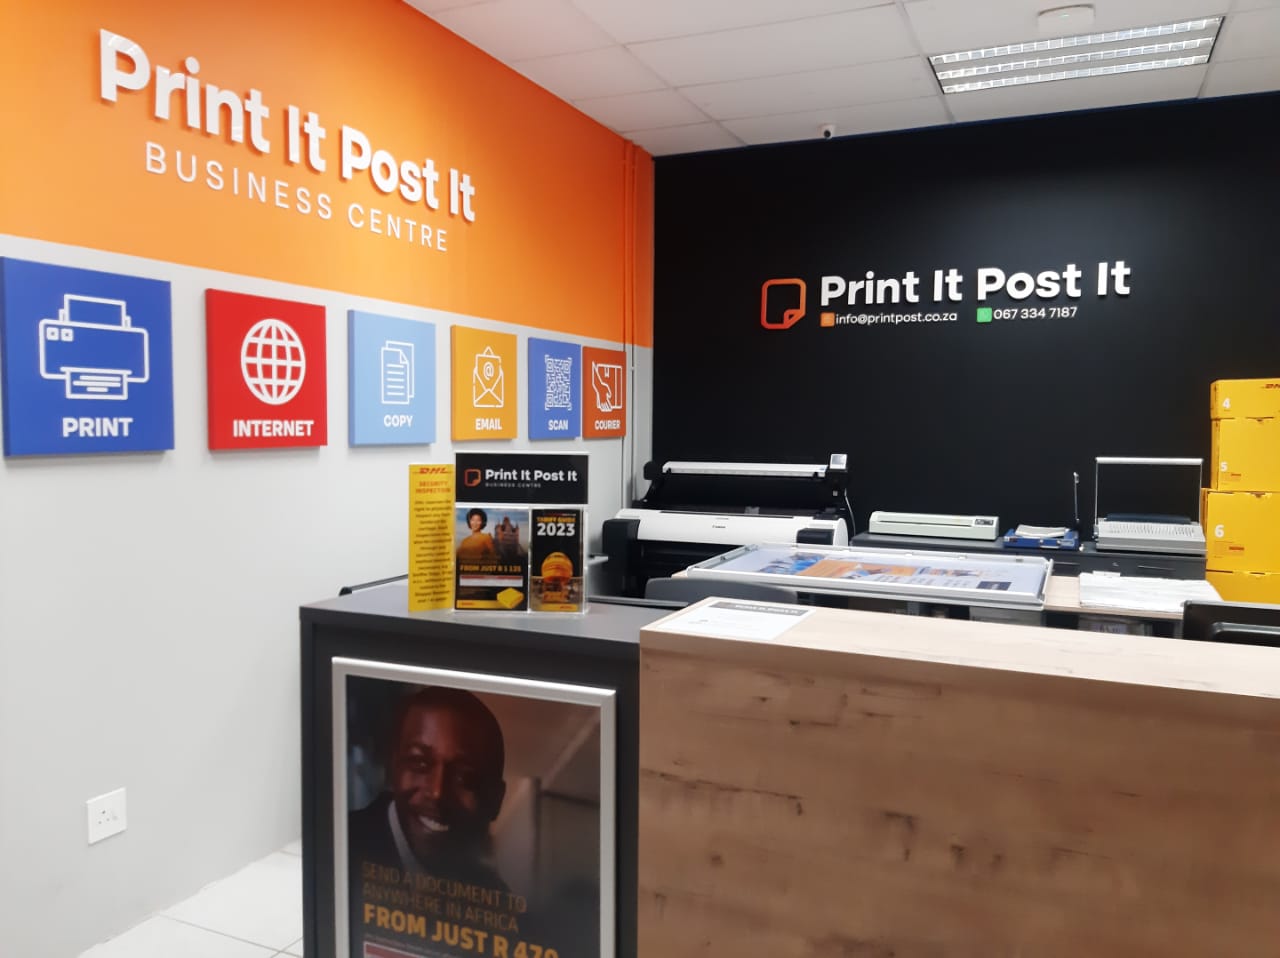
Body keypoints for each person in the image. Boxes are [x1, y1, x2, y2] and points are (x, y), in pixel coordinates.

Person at [349, 686, 508, 890]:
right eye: (420, 763)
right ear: (393, 766)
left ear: (495, 800)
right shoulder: (337, 845)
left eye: (464, 777)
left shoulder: (498, 901)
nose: (437, 792)